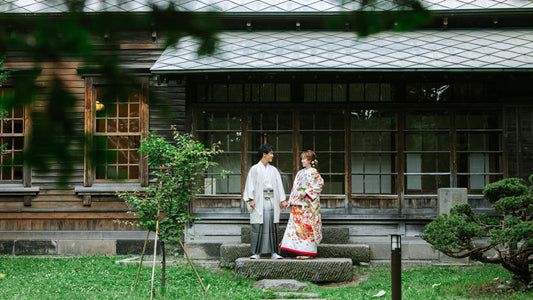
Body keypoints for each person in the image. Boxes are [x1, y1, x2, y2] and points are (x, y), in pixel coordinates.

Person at [243, 144, 287, 259]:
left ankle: (274, 252)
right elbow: (249, 185)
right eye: (271, 153)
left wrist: (282, 200)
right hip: (259, 201)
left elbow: (279, 186)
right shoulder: (254, 169)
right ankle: (257, 253)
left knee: (272, 225)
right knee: (258, 226)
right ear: (264, 154)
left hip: (272, 200)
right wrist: (251, 199)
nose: (272, 155)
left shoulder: (274, 170)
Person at [279, 150, 324, 259]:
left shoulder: (314, 173)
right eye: (302, 159)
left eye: (304, 159)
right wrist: (289, 202)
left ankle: (308, 252)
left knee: (307, 228)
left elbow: (320, 185)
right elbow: (294, 189)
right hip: (298, 205)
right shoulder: (300, 173)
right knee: (298, 229)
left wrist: (306, 192)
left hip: (308, 206)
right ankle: (300, 250)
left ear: (309, 160)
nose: (302, 161)